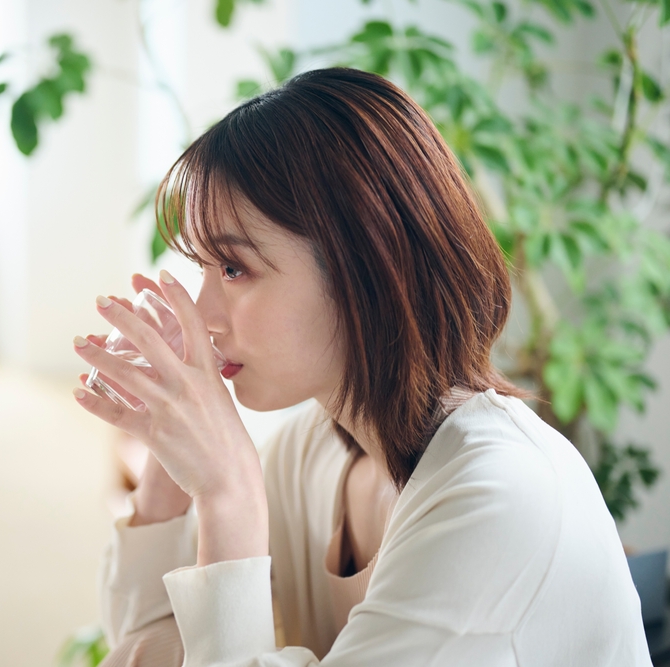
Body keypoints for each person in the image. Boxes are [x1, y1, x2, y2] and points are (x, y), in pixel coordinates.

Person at [71, 68, 651, 666]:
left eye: (234, 269)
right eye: (203, 269)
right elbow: (142, 649)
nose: (202, 313)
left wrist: (230, 493)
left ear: (366, 268)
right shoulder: (311, 450)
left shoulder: (497, 498)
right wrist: (171, 469)